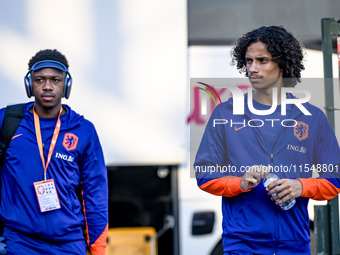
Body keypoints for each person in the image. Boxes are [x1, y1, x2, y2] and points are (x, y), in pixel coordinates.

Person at [194, 26, 340, 254]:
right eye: (249, 61)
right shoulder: (226, 114)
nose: (253, 68)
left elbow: (334, 180)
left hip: (295, 244)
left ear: (282, 64)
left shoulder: (312, 118)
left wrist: (301, 186)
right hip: (242, 245)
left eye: (262, 60)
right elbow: (204, 174)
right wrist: (239, 183)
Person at [0, 49, 108, 254]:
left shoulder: (83, 130)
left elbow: (96, 194)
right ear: (29, 83)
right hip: (20, 242)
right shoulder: (7, 121)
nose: (47, 86)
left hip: (69, 243)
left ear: (66, 85)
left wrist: (98, 249)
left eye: (55, 80)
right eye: (39, 79)